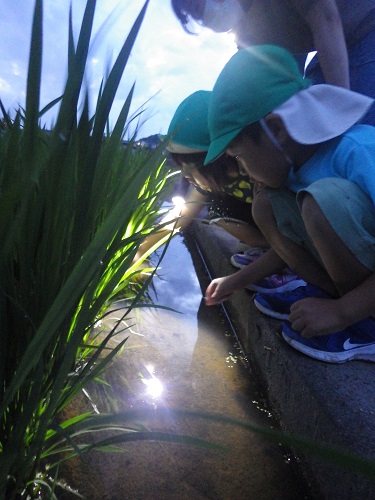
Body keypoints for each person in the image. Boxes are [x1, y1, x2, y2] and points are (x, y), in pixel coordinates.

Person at [204, 44, 375, 363]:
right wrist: (235, 281)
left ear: (278, 130)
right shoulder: (296, 172)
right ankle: (332, 296)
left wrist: (340, 313)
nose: (242, 170)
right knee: (266, 205)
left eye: (239, 156)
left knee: (322, 201)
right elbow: (293, 249)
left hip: (356, 300)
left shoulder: (357, 152)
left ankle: (364, 324)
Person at [136, 90, 305, 294]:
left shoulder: (259, 172)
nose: (186, 175)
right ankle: (266, 248)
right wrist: (141, 250)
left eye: (190, 167)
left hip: (290, 231)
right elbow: (181, 216)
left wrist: (237, 279)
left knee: (246, 208)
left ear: (216, 159)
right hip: (262, 231)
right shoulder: (211, 184)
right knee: (217, 210)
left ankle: (284, 259)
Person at [170, 0, 375, 124]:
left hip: (366, 26)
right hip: (332, 49)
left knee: (357, 128)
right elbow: (268, 78)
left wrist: (342, 107)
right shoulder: (247, 32)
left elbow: (326, 18)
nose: (203, 13)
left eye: (199, 2)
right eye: (196, 13)